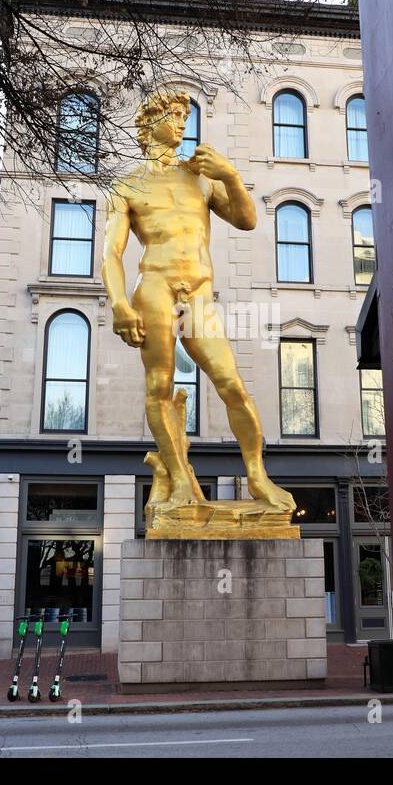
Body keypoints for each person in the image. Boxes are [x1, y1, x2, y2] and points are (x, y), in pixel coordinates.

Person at [101, 90, 295, 512]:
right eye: (173, 114)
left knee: (232, 384)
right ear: (148, 125)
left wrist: (231, 176)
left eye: (185, 115)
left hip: (199, 293)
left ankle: (257, 477)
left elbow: (246, 220)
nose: (182, 121)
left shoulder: (200, 178)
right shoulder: (128, 185)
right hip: (154, 287)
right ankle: (179, 479)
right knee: (160, 386)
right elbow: (111, 254)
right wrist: (119, 304)